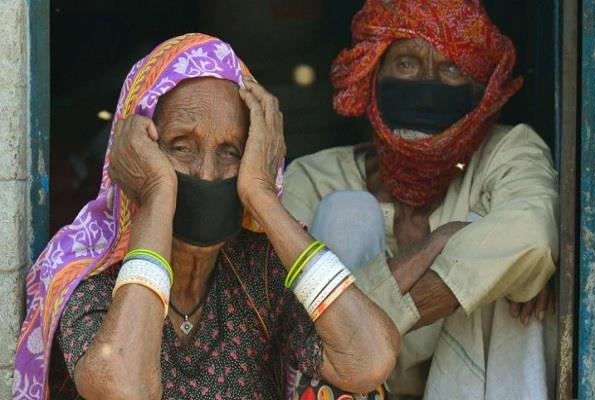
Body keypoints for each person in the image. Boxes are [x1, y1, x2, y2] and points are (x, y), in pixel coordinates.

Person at [13, 33, 400, 400]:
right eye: (181, 147)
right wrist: (155, 197)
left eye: (231, 151)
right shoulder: (88, 274)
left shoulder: (260, 269)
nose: (207, 174)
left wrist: (263, 196)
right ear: (138, 155)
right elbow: (123, 389)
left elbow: (369, 358)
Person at [282, 1, 558, 399]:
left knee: (519, 284)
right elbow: (282, 319)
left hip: (468, 384)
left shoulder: (508, 152)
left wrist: (365, 320)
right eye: (407, 64)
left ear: (480, 91)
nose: (427, 86)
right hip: (346, 382)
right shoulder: (314, 178)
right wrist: (437, 241)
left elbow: (534, 232)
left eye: (451, 68)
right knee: (347, 213)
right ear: (373, 78)